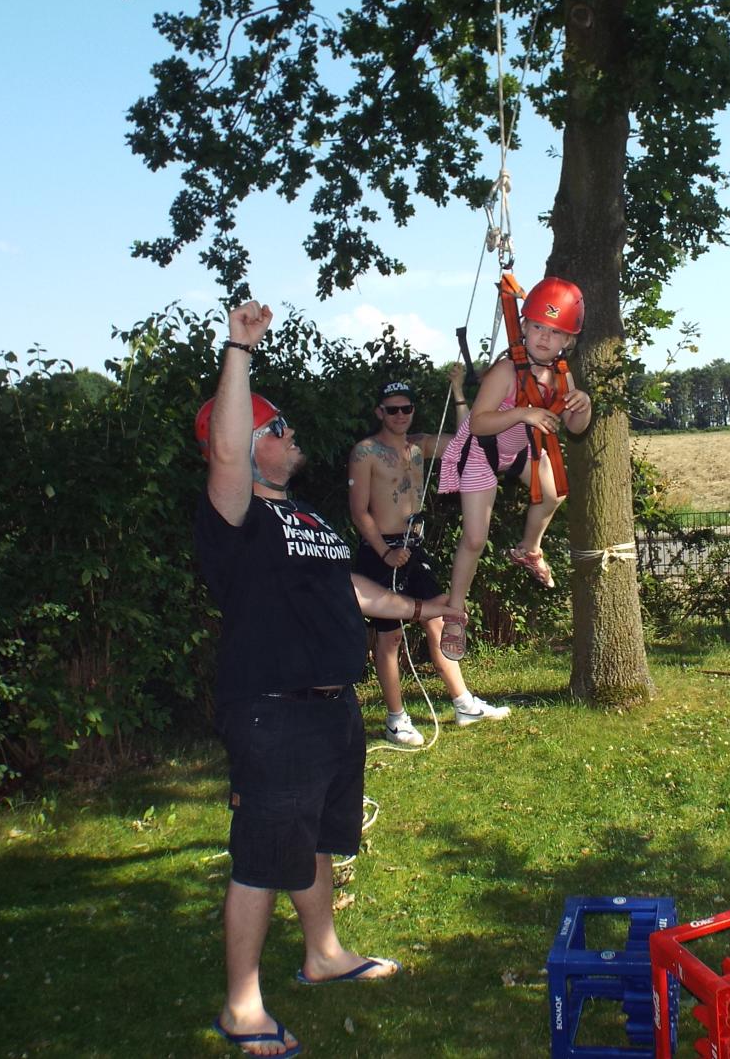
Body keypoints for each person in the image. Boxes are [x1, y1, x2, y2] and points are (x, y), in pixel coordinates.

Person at [194, 299, 466, 1059]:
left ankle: (323, 953)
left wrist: (424, 607)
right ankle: (242, 1005)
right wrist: (239, 350)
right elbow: (225, 455)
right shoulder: (236, 515)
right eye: (276, 429)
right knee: (262, 857)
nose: (291, 435)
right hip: (272, 710)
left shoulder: (306, 518)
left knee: (315, 840)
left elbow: (353, 589)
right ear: (249, 446)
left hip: (330, 708)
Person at [348, 370, 510, 745]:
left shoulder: (419, 445)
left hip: (413, 547)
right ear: (379, 412)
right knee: (389, 638)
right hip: (380, 550)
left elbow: (470, 438)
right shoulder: (365, 452)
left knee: (439, 619)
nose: (400, 415)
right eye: (392, 410)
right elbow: (359, 512)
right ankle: (396, 719)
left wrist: (458, 391)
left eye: (406, 408)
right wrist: (385, 551)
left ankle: (463, 703)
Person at [437, 277, 592, 655]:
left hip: (519, 451)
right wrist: (525, 413)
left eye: (555, 332)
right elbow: (478, 424)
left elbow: (575, 428)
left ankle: (529, 548)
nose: (544, 337)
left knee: (554, 492)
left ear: (568, 340)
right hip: (482, 452)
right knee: (475, 538)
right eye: (537, 327)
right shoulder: (505, 371)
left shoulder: (561, 376)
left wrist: (583, 406)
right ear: (523, 326)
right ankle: (454, 612)